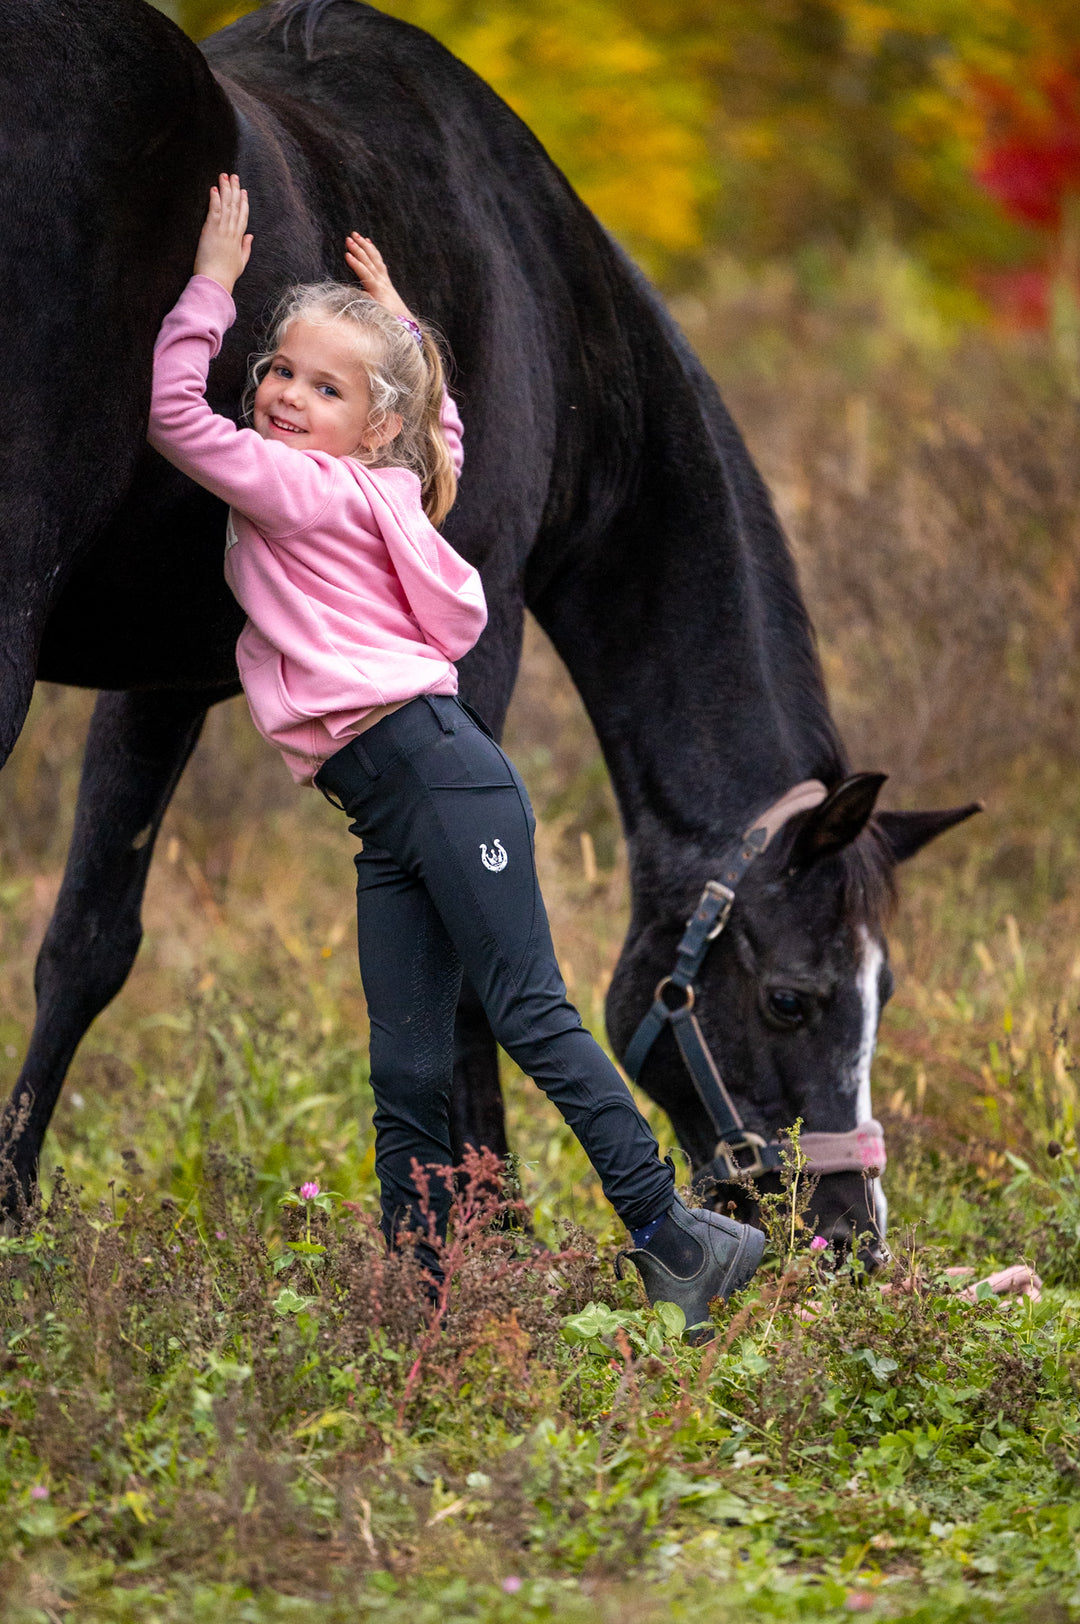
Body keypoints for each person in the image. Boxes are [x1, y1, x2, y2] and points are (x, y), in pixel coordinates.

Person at [148, 174, 765, 1337]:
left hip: (433, 771)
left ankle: (674, 1237)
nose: (282, 396)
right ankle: (421, 1304)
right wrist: (407, 328)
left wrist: (213, 290)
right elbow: (446, 436)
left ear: (370, 424)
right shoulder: (389, 484)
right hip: (391, 803)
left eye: (322, 387)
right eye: (278, 370)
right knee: (408, 1061)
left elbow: (179, 418)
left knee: (530, 1011)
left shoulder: (300, 491)